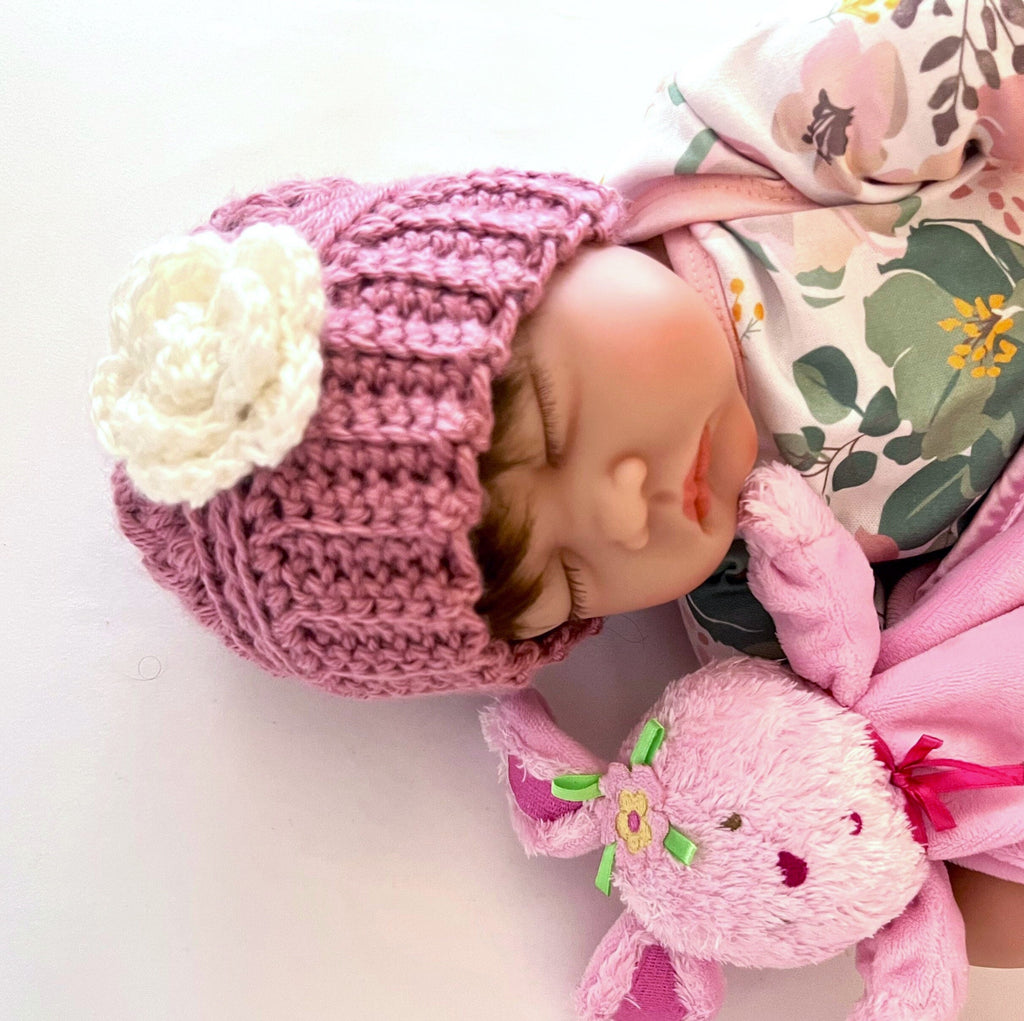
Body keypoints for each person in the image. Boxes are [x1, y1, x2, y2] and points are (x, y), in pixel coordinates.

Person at [91, 0, 1023, 968]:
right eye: (571, 579)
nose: (626, 509)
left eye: (550, 421)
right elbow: (906, 762)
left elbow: (948, 40)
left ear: (554, 249)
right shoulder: (750, 612)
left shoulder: (740, 159)